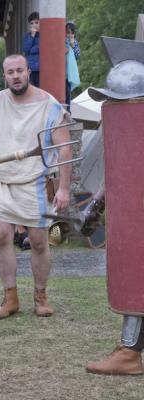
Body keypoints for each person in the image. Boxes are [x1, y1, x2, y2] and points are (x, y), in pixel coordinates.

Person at [0, 54, 72, 320]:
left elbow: (64, 149)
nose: (15, 76)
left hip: (34, 181)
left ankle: (40, 295)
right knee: (0, 237)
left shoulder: (49, 105)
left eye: (20, 70)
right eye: (10, 72)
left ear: (28, 71)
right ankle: (10, 297)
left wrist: (64, 188)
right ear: (4, 75)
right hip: (1, 179)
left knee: (38, 242)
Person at [84, 56, 144, 375]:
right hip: (137, 219)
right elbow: (124, 172)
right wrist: (97, 202)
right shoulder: (130, 126)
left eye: (120, 99)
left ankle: (128, 352)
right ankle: (129, 352)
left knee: (138, 273)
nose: (114, 105)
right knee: (136, 272)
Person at [65, 21, 81, 110]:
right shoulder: (62, 41)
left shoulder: (75, 42)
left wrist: (72, 45)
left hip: (69, 72)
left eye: (71, 33)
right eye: (67, 32)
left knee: (68, 94)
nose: (69, 35)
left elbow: (77, 55)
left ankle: (68, 111)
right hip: (62, 70)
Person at [22, 12, 40, 87]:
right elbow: (25, 49)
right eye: (31, 23)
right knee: (31, 89)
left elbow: (42, 48)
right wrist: (32, 36)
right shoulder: (28, 35)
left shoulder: (45, 34)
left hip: (41, 68)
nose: (34, 25)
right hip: (30, 68)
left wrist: (31, 50)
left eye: (36, 22)